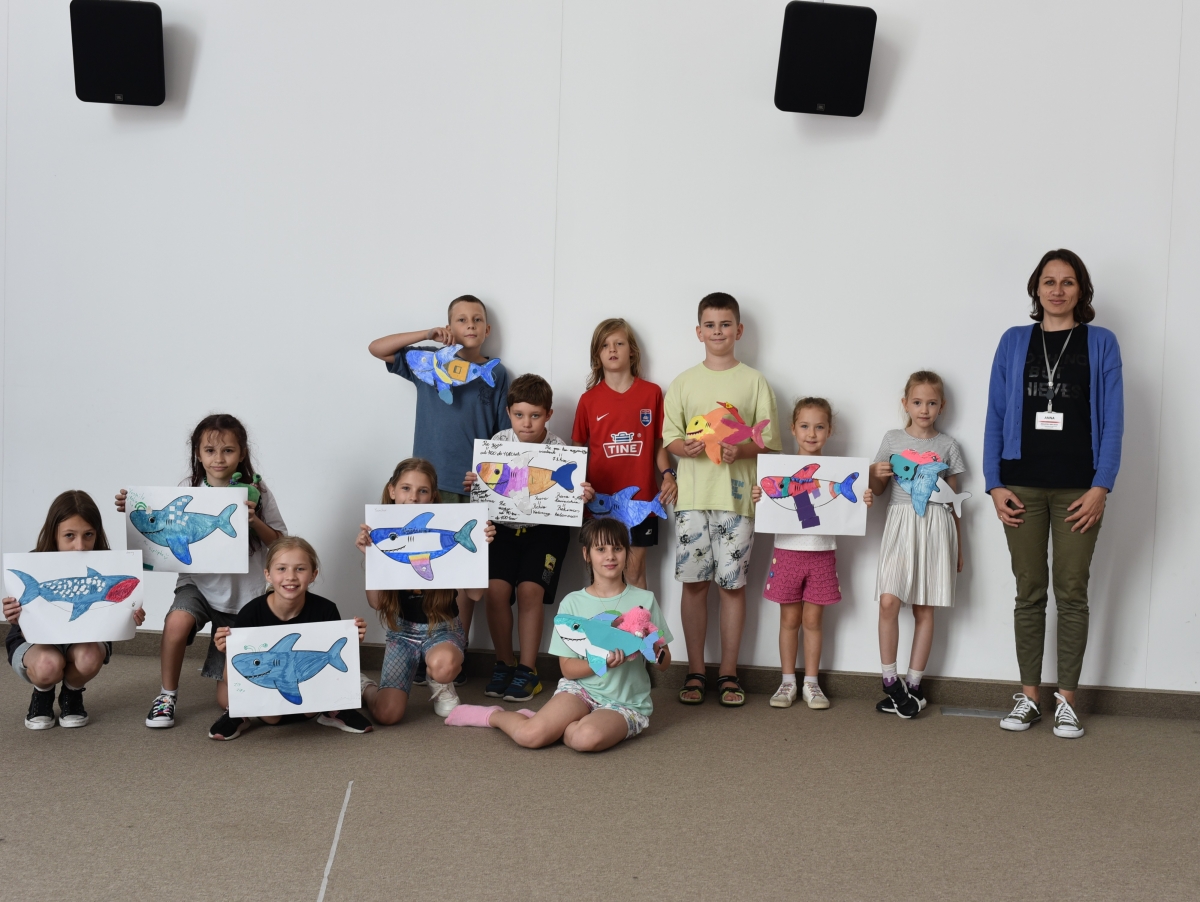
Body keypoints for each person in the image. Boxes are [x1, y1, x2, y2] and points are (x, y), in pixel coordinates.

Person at [986, 249, 1122, 739]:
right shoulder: (1013, 341)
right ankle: (1029, 698)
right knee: (1029, 592)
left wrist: (1102, 485)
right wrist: (993, 483)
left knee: (1071, 592)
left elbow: (1114, 421)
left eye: (1068, 282)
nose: (1058, 290)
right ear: (1036, 288)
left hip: (1079, 490)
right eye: (1049, 281)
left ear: (1081, 290)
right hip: (1019, 485)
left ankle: (1066, 700)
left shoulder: (1101, 342)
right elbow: (996, 414)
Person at [115, 413, 286, 728]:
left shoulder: (257, 491)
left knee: (229, 701)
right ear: (198, 453)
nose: (218, 458)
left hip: (245, 596)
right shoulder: (188, 487)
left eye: (228, 450)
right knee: (176, 622)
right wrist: (133, 506)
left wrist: (254, 521)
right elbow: (164, 523)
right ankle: (166, 695)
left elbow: (281, 544)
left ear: (242, 453)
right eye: (210, 450)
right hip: (197, 585)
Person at [444, 518, 673, 752]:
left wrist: (656, 651)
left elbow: (665, 664)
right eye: (601, 549)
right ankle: (494, 716)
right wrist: (601, 662)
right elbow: (568, 670)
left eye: (617, 548)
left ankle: (562, 725)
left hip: (625, 703)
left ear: (627, 552)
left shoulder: (644, 600)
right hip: (580, 691)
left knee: (585, 739)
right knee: (530, 736)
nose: (610, 556)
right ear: (586, 554)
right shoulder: (572, 603)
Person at [369, 294, 510, 649]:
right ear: (449, 327)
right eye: (461, 320)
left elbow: (502, 437)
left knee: (462, 571)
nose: (470, 325)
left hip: (473, 487)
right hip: (426, 488)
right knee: (421, 565)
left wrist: (488, 481)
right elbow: (377, 348)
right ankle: (420, 644)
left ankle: (455, 649)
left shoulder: (496, 373)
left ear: (487, 330)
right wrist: (427, 335)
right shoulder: (426, 363)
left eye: (477, 319)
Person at [662, 293, 781, 707]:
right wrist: (685, 448)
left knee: (732, 586)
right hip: (692, 499)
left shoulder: (755, 381)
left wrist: (741, 450)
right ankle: (695, 670)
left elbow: (770, 444)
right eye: (710, 325)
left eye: (725, 324)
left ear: (739, 330)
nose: (718, 332)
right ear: (699, 332)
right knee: (694, 584)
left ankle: (729, 672)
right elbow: (670, 438)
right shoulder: (683, 382)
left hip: (737, 500)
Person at [463, 374, 593, 702]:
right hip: (502, 531)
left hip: (545, 533)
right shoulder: (498, 442)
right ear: (508, 412)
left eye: (535, 415)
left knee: (530, 592)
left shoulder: (560, 450)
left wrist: (581, 494)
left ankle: (528, 669)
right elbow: (487, 489)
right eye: (519, 415)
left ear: (548, 414)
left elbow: (569, 493)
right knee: (495, 592)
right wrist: (475, 484)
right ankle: (504, 663)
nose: (527, 423)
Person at [751, 398, 872, 709]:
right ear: (793, 429)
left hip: (821, 554)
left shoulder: (835, 470)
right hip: (786, 553)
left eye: (819, 427)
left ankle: (812, 683)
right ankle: (787, 681)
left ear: (829, 431)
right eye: (804, 426)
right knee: (789, 619)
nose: (811, 433)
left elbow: (847, 509)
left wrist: (862, 500)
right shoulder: (778, 469)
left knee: (814, 620)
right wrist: (759, 496)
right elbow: (772, 504)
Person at [355, 458, 496, 725]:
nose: (413, 498)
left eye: (422, 491)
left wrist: (481, 550)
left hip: (443, 629)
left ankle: (441, 682)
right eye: (406, 488)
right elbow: (376, 603)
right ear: (392, 490)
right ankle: (365, 687)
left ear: (432, 497)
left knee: (443, 666)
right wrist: (371, 558)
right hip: (401, 634)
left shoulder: (445, 528)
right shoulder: (380, 536)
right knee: (387, 715)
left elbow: (476, 594)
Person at [3, 490, 147, 729]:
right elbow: (24, 616)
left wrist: (130, 616)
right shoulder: (34, 562)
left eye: (88, 534)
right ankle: (42, 694)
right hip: (34, 641)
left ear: (97, 533)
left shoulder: (109, 563)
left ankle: (72, 693)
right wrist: (14, 613)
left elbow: (115, 609)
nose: (79, 546)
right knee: (47, 664)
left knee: (88, 658)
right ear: (54, 533)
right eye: (69, 535)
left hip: (84, 639)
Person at [867, 371, 965, 719]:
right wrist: (874, 475)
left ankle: (914, 686)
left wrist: (959, 546)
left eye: (932, 403)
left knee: (924, 608)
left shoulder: (948, 445)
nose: (924, 409)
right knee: (889, 601)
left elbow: (954, 501)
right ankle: (890, 681)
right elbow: (878, 491)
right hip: (900, 523)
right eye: (918, 402)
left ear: (942, 406)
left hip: (936, 526)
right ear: (905, 404)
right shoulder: (892, 440)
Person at [208, 536, 370, 739]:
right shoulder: (250, 613)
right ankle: (238, 713)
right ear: (268, 574)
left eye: (300, 569)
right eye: (281, 569)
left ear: (313, 575)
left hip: (310, 704)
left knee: (321, 697)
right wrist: (228, 649)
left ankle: (334, 710)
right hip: (268, 708)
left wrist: (352, 641)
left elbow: (332, 671)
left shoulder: (326, 609)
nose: (290, 576)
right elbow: (233, 675)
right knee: (228, 697)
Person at [571, 318, 677, 588]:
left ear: (632, 351)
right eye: (605, 345)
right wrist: (576, 488)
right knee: (601, 577)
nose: (612, 349)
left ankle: (639, 619)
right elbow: (576, 451)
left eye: (619, 343)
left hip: (640, 501)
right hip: (598, 504)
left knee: (633, 573)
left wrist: (668, 474)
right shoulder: (588, 400)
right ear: (597, 355)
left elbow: (658, 444)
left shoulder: (652, 393)